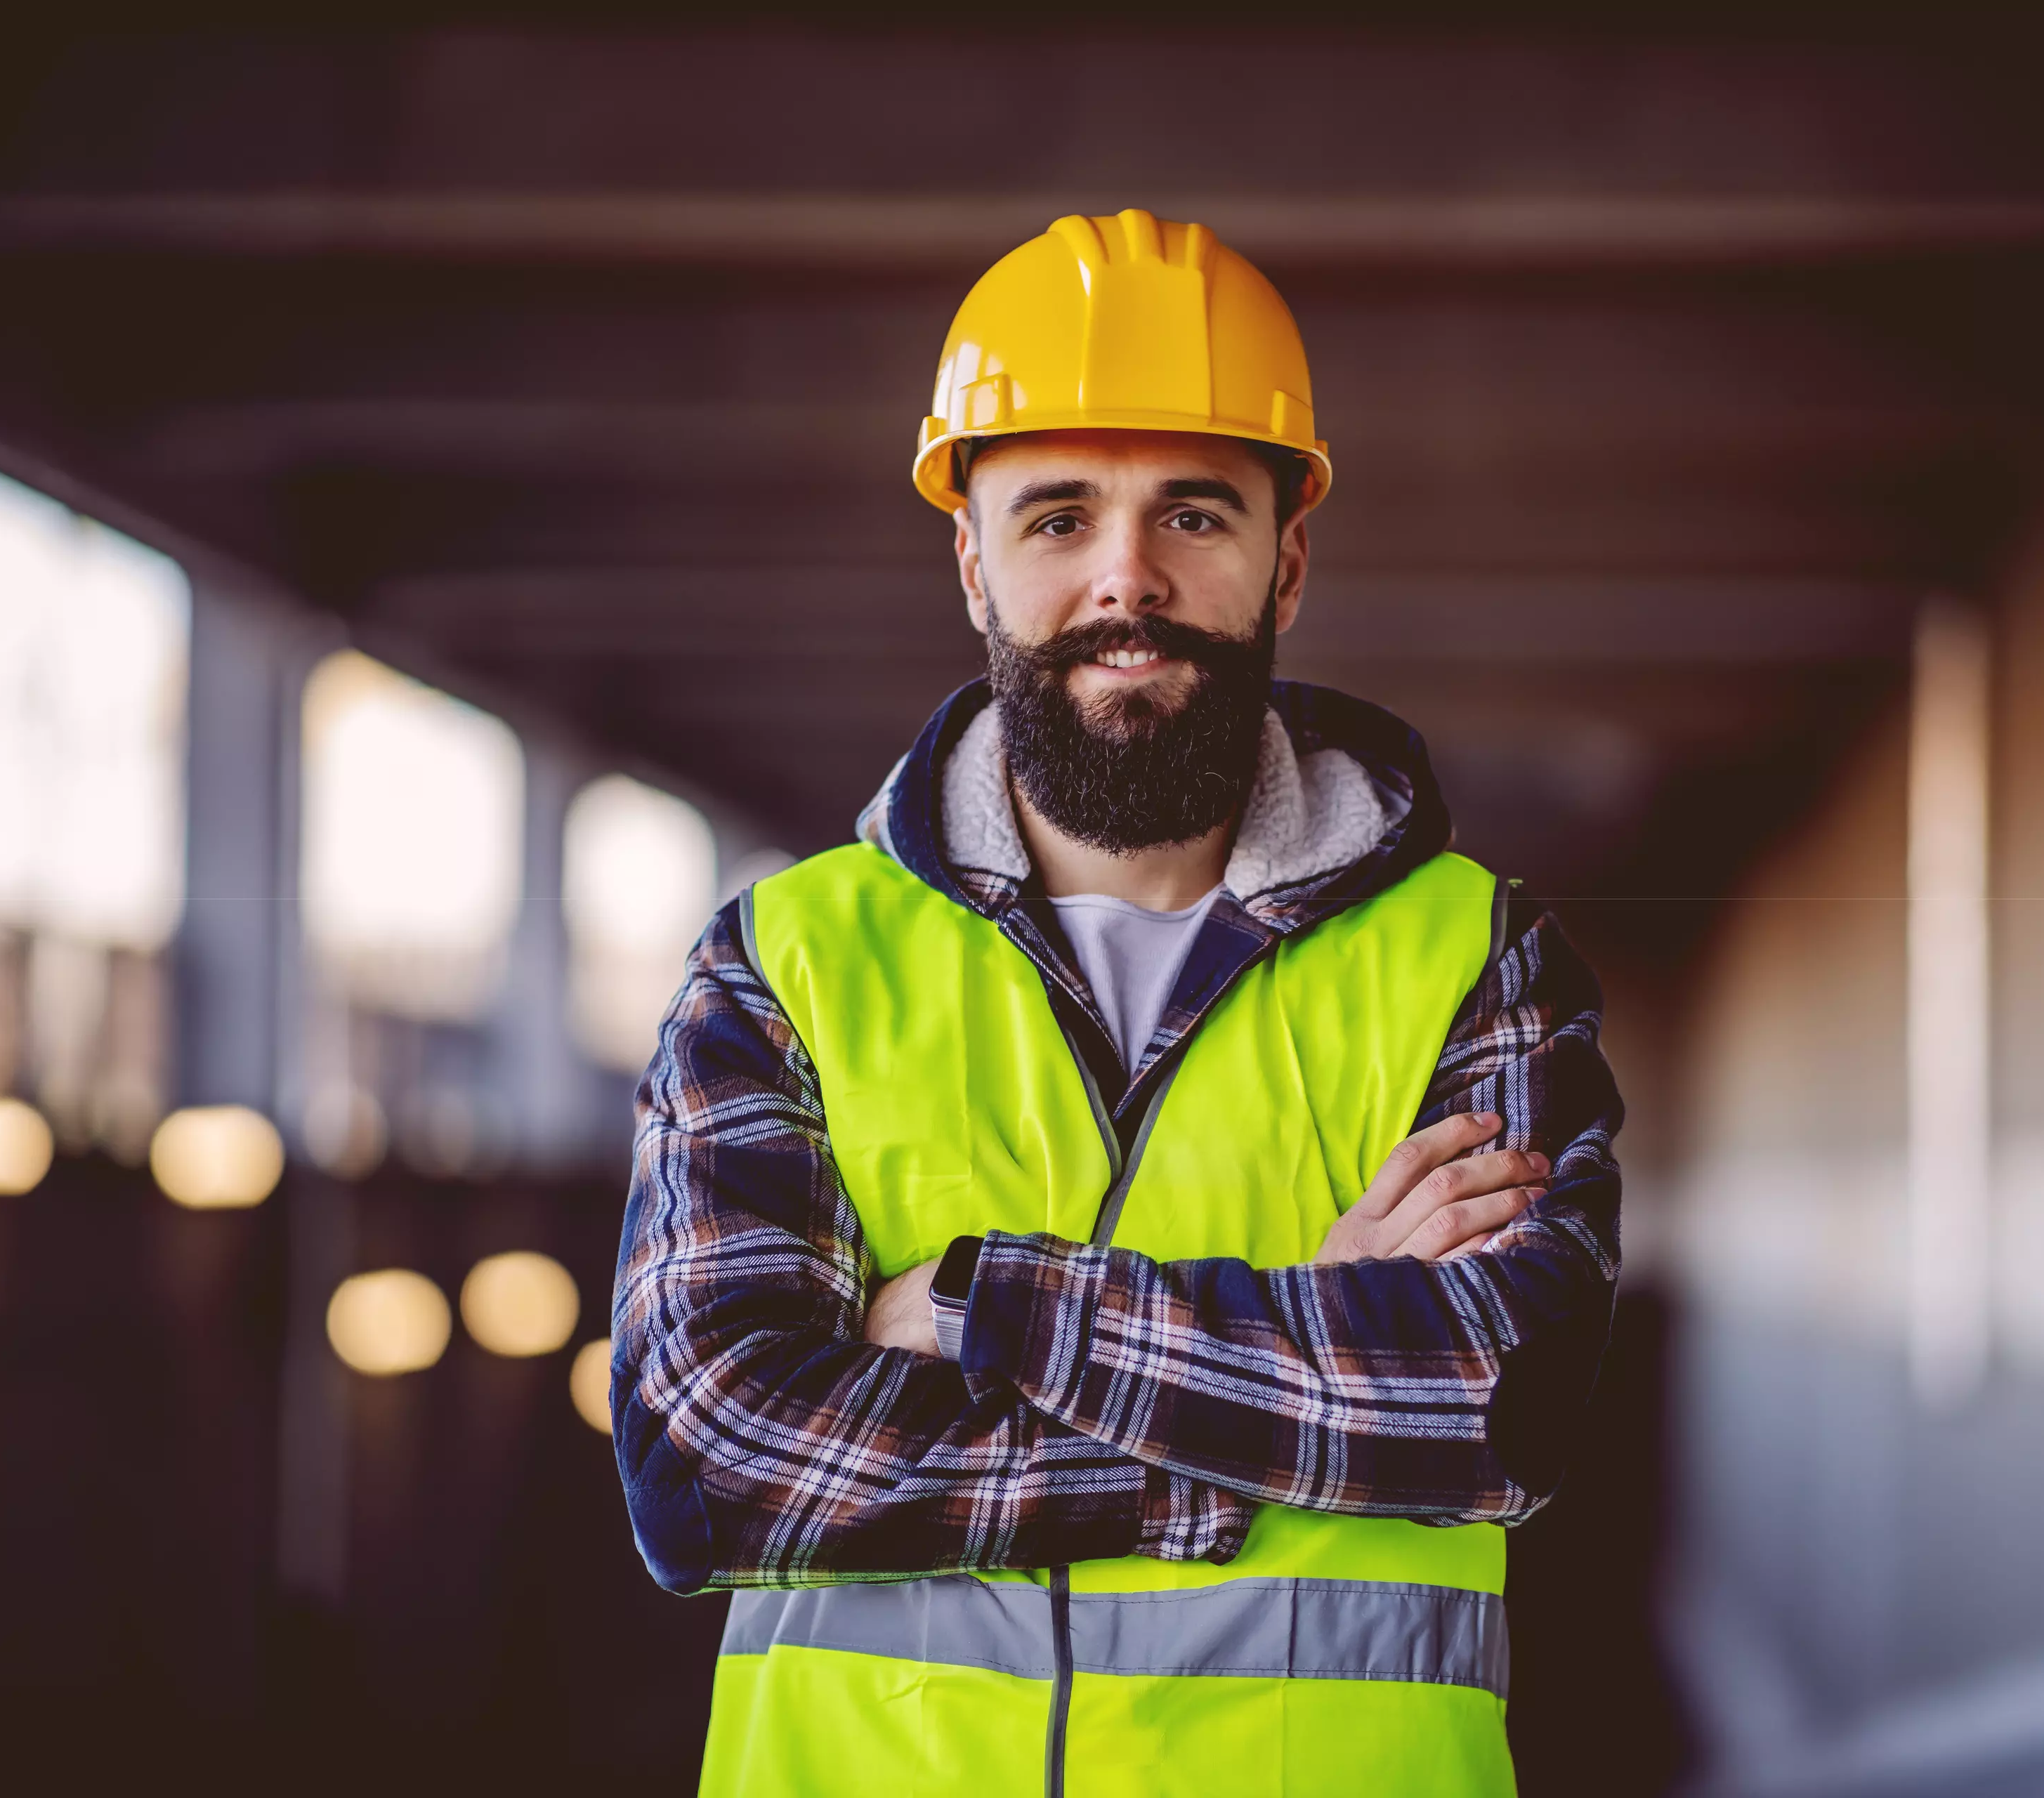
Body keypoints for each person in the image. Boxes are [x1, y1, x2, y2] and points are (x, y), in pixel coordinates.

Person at [612, 208, 1623, 1798]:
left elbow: (1495, 1403)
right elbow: (712, 1466)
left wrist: (966, 1304)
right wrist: (1288, 1364)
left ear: (1286, 556)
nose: (1125, 578)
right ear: (974, 560)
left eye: (1195, 515)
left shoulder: (1472, 952)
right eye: (1059, 516)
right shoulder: (785, 961)